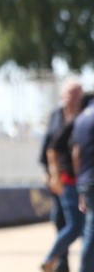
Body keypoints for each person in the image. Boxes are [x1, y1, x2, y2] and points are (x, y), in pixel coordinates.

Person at [40, 78, 84, 272]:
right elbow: (49, 148)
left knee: (77, 225)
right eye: (70, 94)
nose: (74, 98)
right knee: (63, 222)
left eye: (77, 94)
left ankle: (56, 260)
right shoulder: (57, 116)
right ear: (62, 95)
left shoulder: (83, 116)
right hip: (62, 179)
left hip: (75, 180)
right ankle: (59, 262)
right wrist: (50, 174)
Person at [73, 92, 94, 272]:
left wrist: (80, 185)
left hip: (86, 181)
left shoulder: (80, 119)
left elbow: (76, 154)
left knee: (90, 229)